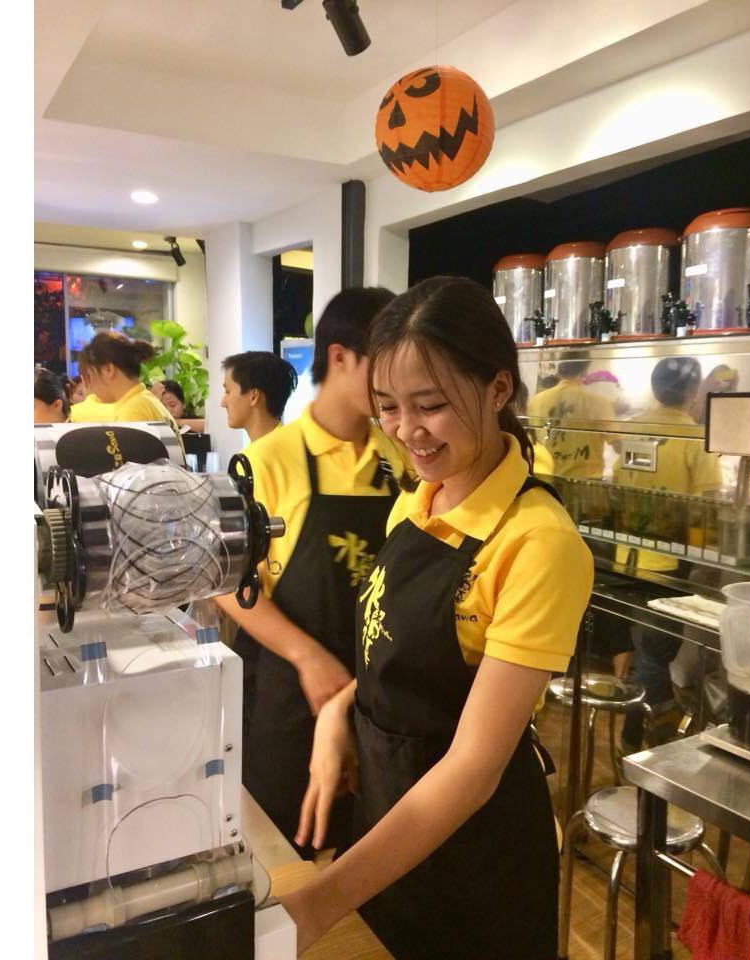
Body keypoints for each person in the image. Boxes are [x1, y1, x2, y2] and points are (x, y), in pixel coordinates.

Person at [279, 276, 593, 958]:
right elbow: (397, 656)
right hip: (387, 830)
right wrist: (340, 714)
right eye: (388, 407)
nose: (405, 431)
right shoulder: (417, 498)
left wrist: (318, 902)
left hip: (472, 862)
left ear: (499, 388)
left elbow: (474, 767)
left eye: (430, 406)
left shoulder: (539, 542)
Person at [214, 287, 405, 858]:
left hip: (376, 696)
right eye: (386, 363)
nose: (398, 382)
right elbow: (223, 582)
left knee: (368, 849)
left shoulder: (398, 457)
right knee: (281, 854)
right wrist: (306, 655)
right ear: (340, 357)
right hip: (287, 693)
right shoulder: (265, 461)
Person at [613, 356, 723, 753]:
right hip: (669, 559)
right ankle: (644, 734)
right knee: (656, 653)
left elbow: (618, 486)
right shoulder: (695, 437)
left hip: (627, 555)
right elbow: (709, 504)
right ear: (693, 393)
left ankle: (638, 729)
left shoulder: (633, 428)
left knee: (645, 649)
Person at [75, 332, 183, 446]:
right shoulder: (146, 399)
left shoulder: (133, 410)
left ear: (108, 369)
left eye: (89, 377)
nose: (89, 386)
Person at [526, 359, 614, 480]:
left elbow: (532, 439)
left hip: (546, 477)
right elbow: (619, 446)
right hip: (586, 481)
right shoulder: (599, 403)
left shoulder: (536, 401)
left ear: (559, 371)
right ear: (584, 371)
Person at [220, 351, 299, 444]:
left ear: (254, 396)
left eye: (228, 391)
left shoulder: (262, 452)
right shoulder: (291, 445)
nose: (222, 403)